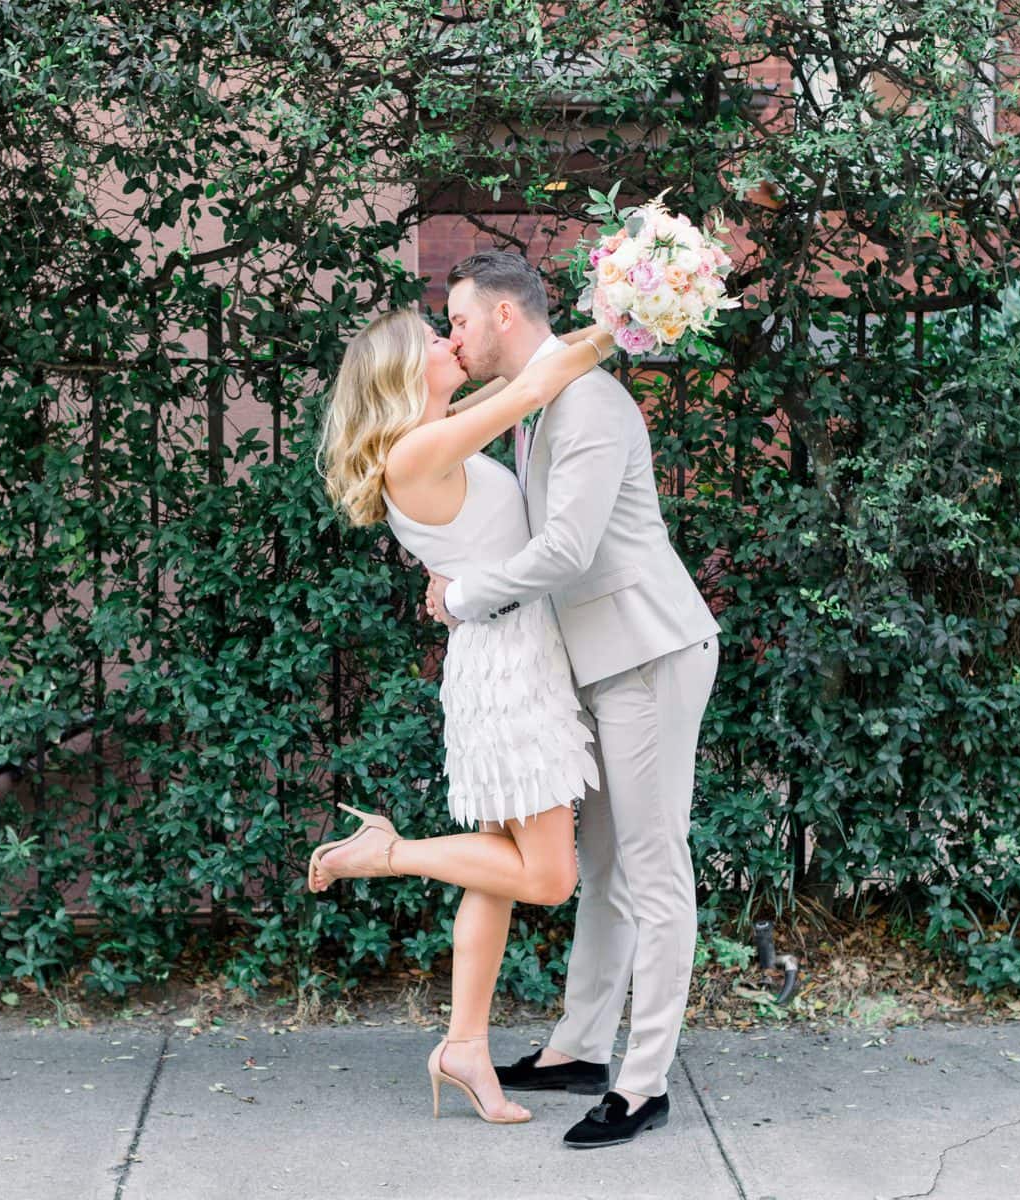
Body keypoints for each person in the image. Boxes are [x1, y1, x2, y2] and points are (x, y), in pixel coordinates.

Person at [425, 250, 721, 1150]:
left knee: (652, 866)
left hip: (648, 653)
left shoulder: (589, 403)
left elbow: (566, 549)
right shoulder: (540, 396)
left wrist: (465, 596)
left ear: (507, 316)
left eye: (462, 320)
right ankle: (581, 1049)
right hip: (588, 663)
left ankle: (643, 1083)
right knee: (601, 865)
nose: (456, 335)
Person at [312, 301, 619, 1126]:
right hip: (510, 675)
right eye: (434, 340)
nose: (452, 342)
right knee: (549, 878)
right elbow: (542, 379)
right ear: (402, 374)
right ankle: (386, 852)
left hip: (504, 657)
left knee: (496, 865)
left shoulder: (429, 444)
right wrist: (630, 313)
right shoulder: (419, 447)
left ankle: (465, 1045)